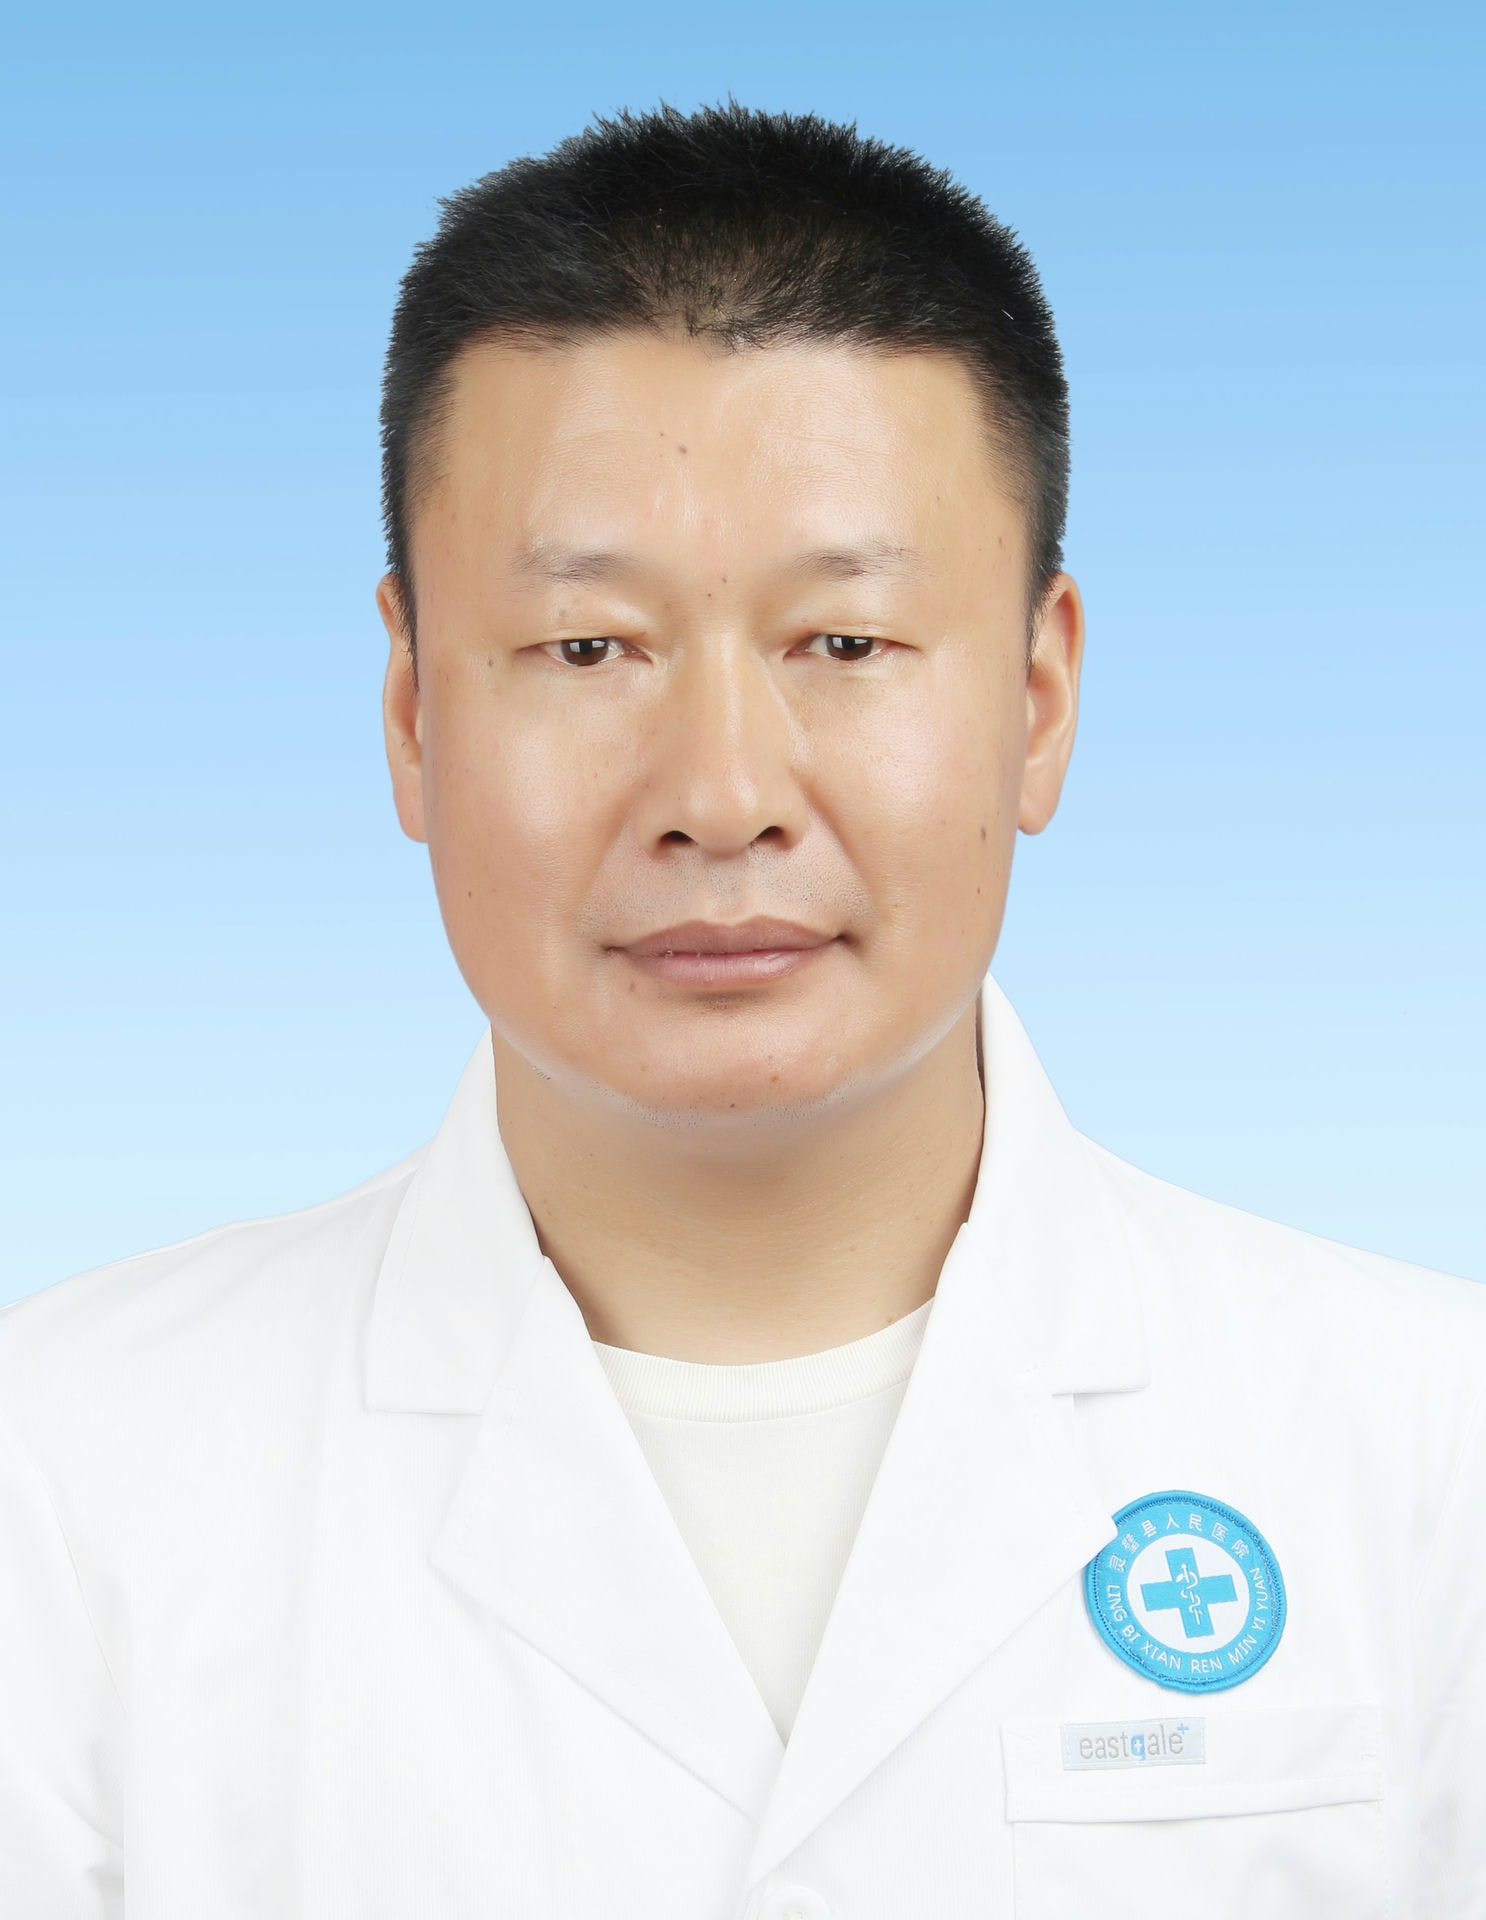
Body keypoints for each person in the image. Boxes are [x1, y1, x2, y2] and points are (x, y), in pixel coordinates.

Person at [1, 102, 1482, 1920]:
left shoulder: (1431, 1455)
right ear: (410, 711)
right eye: (586, 649)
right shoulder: (61, 1478)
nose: (720, 794)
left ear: (1035, 701)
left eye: (842, 645)